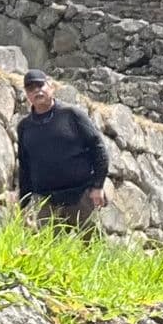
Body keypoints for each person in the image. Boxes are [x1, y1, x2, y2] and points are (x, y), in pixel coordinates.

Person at [16, 70, 109, 231]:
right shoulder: (24, 127)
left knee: (93, 249)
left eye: (40, 85)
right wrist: (23, 204)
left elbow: (98, 148)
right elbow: (25, 166)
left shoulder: (72, 115)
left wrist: (98, 186)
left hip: (81, 197)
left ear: (51, 86)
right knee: (50, 251)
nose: (37, 91)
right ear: (27, 94)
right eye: (31, 88)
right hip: (46, 201)